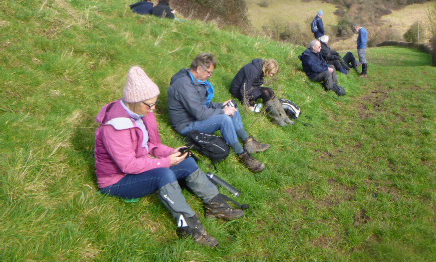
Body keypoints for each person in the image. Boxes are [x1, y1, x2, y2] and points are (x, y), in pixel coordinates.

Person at [94, 66, 243, 248]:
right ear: (134, 101)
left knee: (187, 161)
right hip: (117, 180)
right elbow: (127, 165)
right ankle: (190, 228)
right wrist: (165, 163)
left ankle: (216, 206)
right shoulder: (114, 127)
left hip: (135, 168)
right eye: (150, 104)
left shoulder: (144, 113)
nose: (154, 108)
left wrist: (172, 153)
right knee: (163, 175)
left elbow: (153, 146)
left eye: (154, 103)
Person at [167, 53, 269, 173]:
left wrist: (222, 106)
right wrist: (222, 111)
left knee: (232, 105)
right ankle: (242, 154)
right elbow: (199, 114)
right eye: (209, 72)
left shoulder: (195, 81)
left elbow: (203, 105)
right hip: (186, 125)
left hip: (195, 117)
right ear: (199, 69)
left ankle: (248, 141)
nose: (210, 75)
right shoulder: (184, 85)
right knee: (223, 119)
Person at [230, 58, 294, 126]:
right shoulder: (253, 71)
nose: (271, 75)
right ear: (267, 68)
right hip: (237, 91)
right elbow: (244, 89)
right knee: (265, 92)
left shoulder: (261, 67)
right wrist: (247, 105)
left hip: (249, 87)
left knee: (270, 91)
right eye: (272, 73)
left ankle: (284, 117)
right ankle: (277, 119)